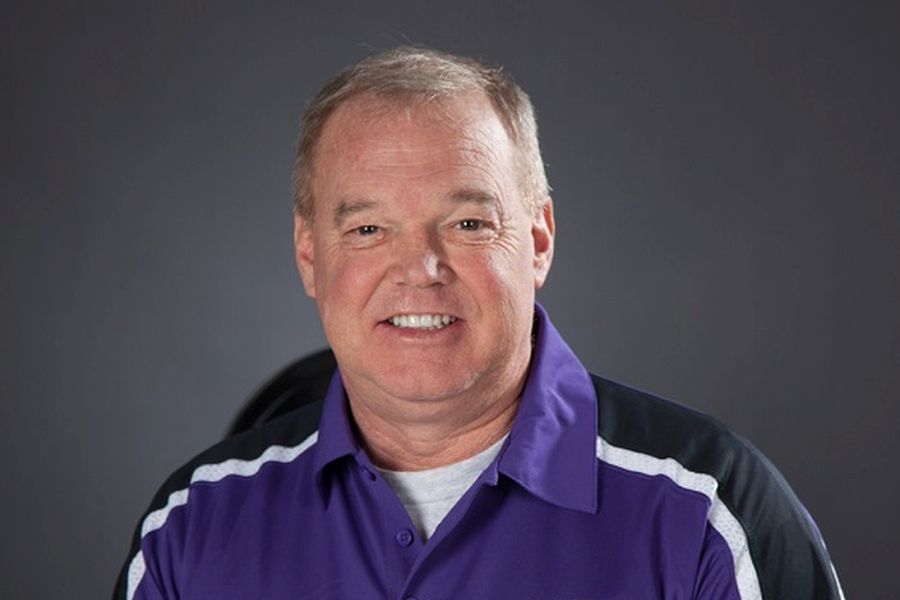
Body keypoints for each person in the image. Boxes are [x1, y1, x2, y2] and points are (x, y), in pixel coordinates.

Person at [114, 46, 844, 599]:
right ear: (310, 256)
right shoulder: (191, 524)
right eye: (367, 230)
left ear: (538, 240)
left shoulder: (707, 511)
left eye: (467, 222)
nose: (420, 267)